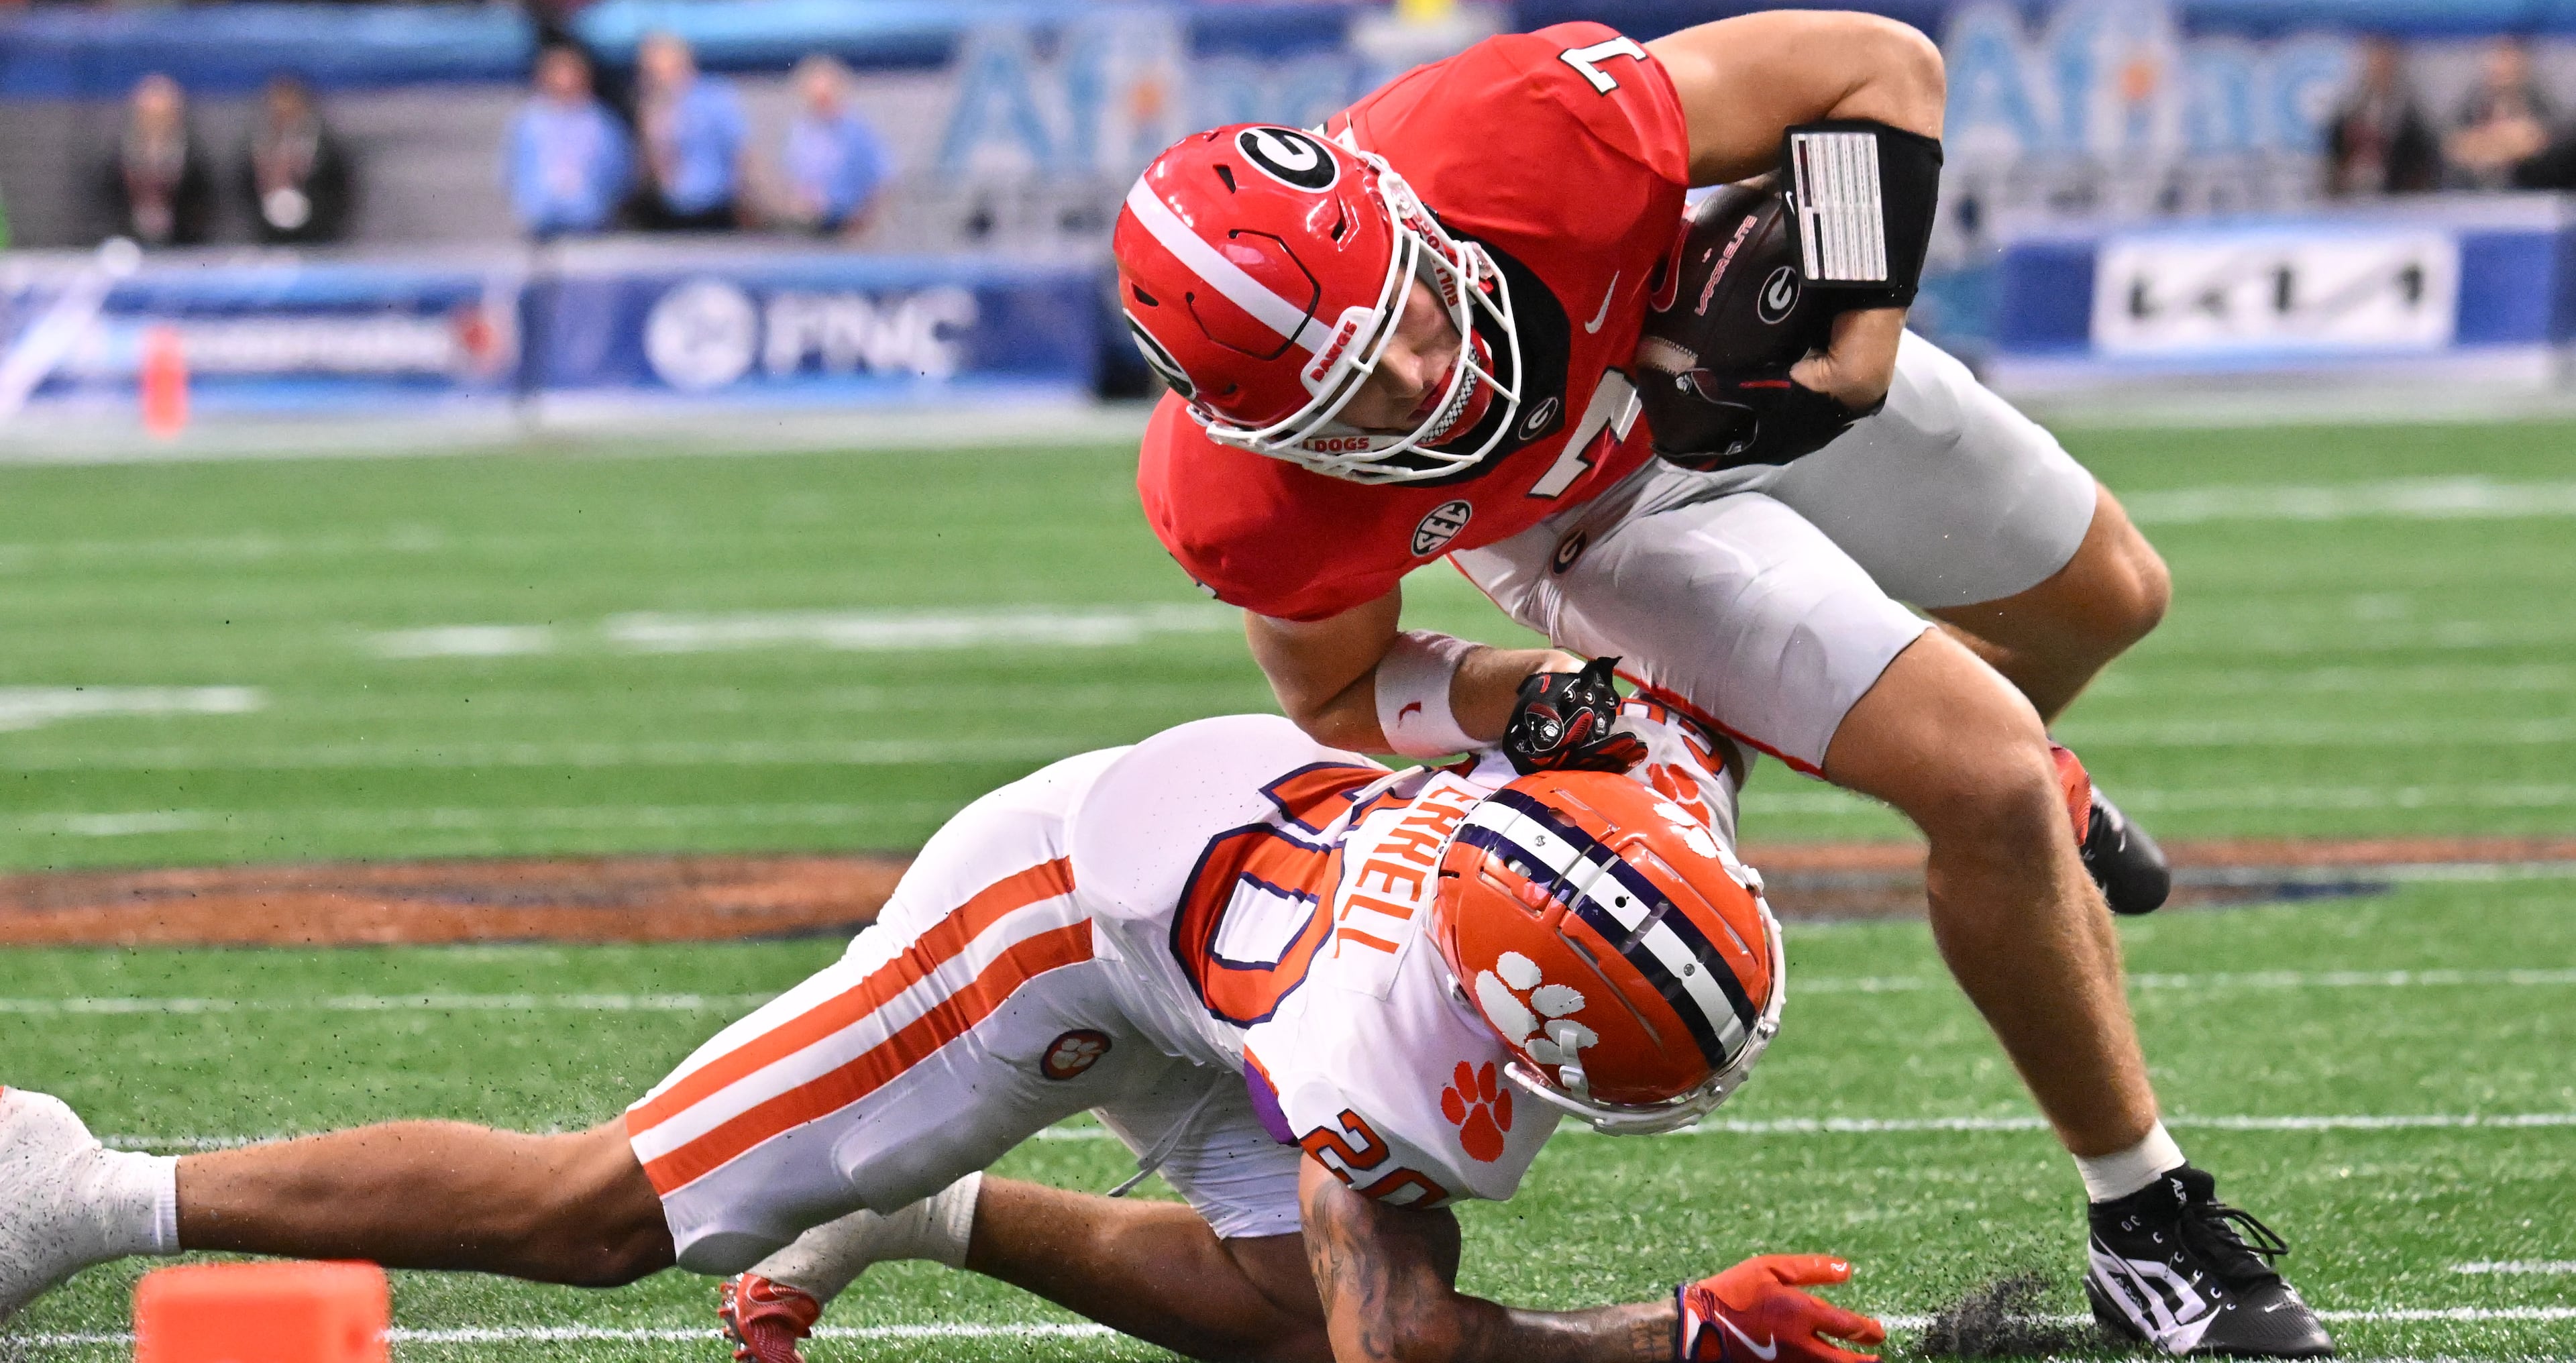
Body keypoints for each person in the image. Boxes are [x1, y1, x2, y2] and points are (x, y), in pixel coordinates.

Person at [1114, 13, 2330, 1358]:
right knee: (1981, 778)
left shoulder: (1518, 132)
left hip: (1722, 368)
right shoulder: (1248, 505)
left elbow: (1878, 68)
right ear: (1254, 434)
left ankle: (2018, 780)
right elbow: (1344, 695)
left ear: (1415, 220)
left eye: (1410, 316)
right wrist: (1523, 694)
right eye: (1357, 402)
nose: (1424, 380)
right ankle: (2143, 1226)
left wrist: (1861, 325)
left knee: (2111, 599)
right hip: (1603, 521)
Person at [1, 698, 1894, 1363]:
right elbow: (1396, 1339)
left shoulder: (1619, 805)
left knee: (1265, 1312)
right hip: (1049, 917)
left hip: (1220, 883)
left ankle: (928, 1215)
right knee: (598, 1220)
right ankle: (83, 1190)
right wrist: (1670, 1340)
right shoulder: (1369, 1059)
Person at [503, 46, 633, 238]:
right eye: (558, 74)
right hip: (541, 226)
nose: (565, 81)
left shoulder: (603, 122)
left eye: (571, 74)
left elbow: (621, 173)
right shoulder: (527, 123)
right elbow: (512, 172)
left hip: (592, 224)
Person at [631, 30, 749, 232]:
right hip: (669, 211)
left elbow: (740, 154)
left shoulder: (715, 98)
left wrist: (744, 200)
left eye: (662, 68)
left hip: (716, 208)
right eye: (651, 71)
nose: (658, 77)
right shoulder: (650, 107)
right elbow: (651, 169)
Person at [772, 54, 892, 237]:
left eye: (826, 98)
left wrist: (860, 225)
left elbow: (881, 182)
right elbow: (791, 178)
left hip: (847, 227)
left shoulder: (858, 133)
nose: (821, 105)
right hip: (807, 228)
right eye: (816, 99)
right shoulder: (800, 132)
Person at [97, 72, 214, 249]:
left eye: (163, 117)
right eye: (150, 117)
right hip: (125, 248)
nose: (156, 124)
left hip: (182, 248)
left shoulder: (195, 161)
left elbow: (202, 209)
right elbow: (106, 207)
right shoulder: (115, 161)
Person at [240, 74, 354, 246]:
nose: (283, 109)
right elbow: (243, 186)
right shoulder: (256, 146)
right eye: (277, 103)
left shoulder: (326, 145)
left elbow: (341, 187)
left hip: (319, 235)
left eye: (289, 102)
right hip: (266, 237)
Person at [2324, 39, 2439, 197]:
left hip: (2394, 195)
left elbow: (2419, 159)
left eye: (2384, 59)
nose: (2379, 65)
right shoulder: (2351, 109)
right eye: (2374, 58)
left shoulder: (2410, 115)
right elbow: (2335, 152)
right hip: (2350, 195)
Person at [2443, 37, 2553, 190]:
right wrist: (2498, 144)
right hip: (2471, 196)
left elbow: (2544, 140)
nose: (2502, 66)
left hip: (2529, 193)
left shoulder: (2540, 104)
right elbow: (2453, 143)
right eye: (2498, 56)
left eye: (2509, 57)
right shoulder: (2471, 103)